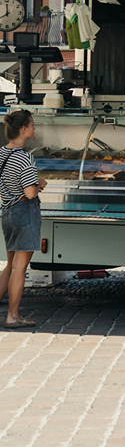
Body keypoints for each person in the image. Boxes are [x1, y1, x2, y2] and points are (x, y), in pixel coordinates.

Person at [0, 110, 46, 329]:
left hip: (7, 212)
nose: (34, 129)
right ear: (23, 129)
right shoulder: (25, 156)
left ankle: (10, 312)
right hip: (24, 213)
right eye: (32, 125)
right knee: (19, 268)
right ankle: (12, 316)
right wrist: (40, 185)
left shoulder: (1, 153)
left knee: (9, 266)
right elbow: (29, 193)